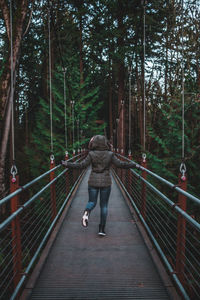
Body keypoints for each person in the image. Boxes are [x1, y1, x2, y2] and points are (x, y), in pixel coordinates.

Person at [61, 135, 141, 237]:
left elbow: (81, 165)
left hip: (93, 181)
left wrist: (67, 164)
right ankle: (102, 229)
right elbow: (121, 164)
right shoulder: (110, 154)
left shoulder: (91, 154)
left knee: (92, 202)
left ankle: (87, 211)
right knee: (104, 206)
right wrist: (134, 165)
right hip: (106, 182)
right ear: (105, 143)